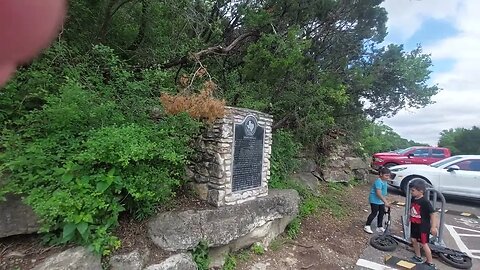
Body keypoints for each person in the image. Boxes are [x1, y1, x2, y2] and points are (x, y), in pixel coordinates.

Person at [409, 179, 438, 269]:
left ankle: (430, 262)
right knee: (414, 240)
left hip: (423, 226)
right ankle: (418, 256)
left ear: (421, 191)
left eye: (413, 190)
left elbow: (433, 214)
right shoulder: (413, 198)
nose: (411, 192)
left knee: (424, 243)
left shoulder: (425, 202)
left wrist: (433, 227)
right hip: (414, 224)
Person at [364, 166, 391, 234]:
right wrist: (385, 202)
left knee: (382, 213)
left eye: (388, 176)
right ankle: (367, 225)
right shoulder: (378, 182)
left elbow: (383, 192)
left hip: (380, 200)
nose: (387, 177)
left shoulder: (384, 181)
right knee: (374, 213)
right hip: (374, 200)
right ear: (381, 174)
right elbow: (378, 193)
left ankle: (379, 226)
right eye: (386, 175)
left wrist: (385, 200)